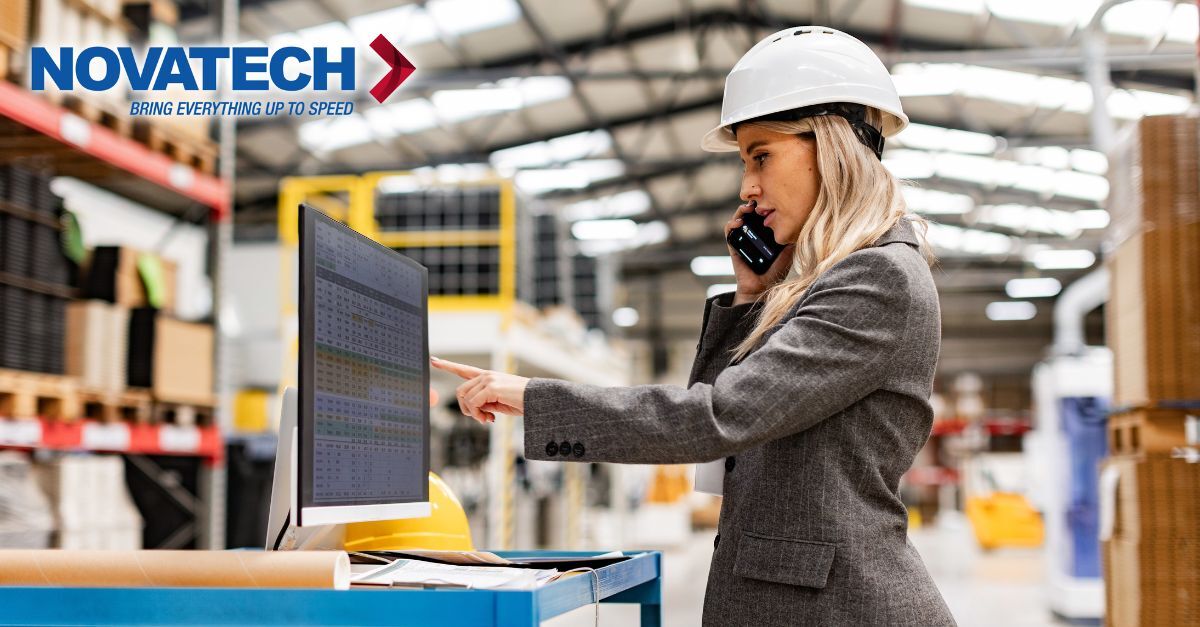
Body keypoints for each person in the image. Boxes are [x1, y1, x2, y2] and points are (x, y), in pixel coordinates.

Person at [433, 26, 956, 626]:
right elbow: (723, 442)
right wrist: (753, 293)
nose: (747, 188)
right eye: (744, 162)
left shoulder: (878, 279)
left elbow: (715, 417)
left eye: (762, 156)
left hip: (841, 607)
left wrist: (534, 398)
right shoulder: (828, 281)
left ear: (832, 147)